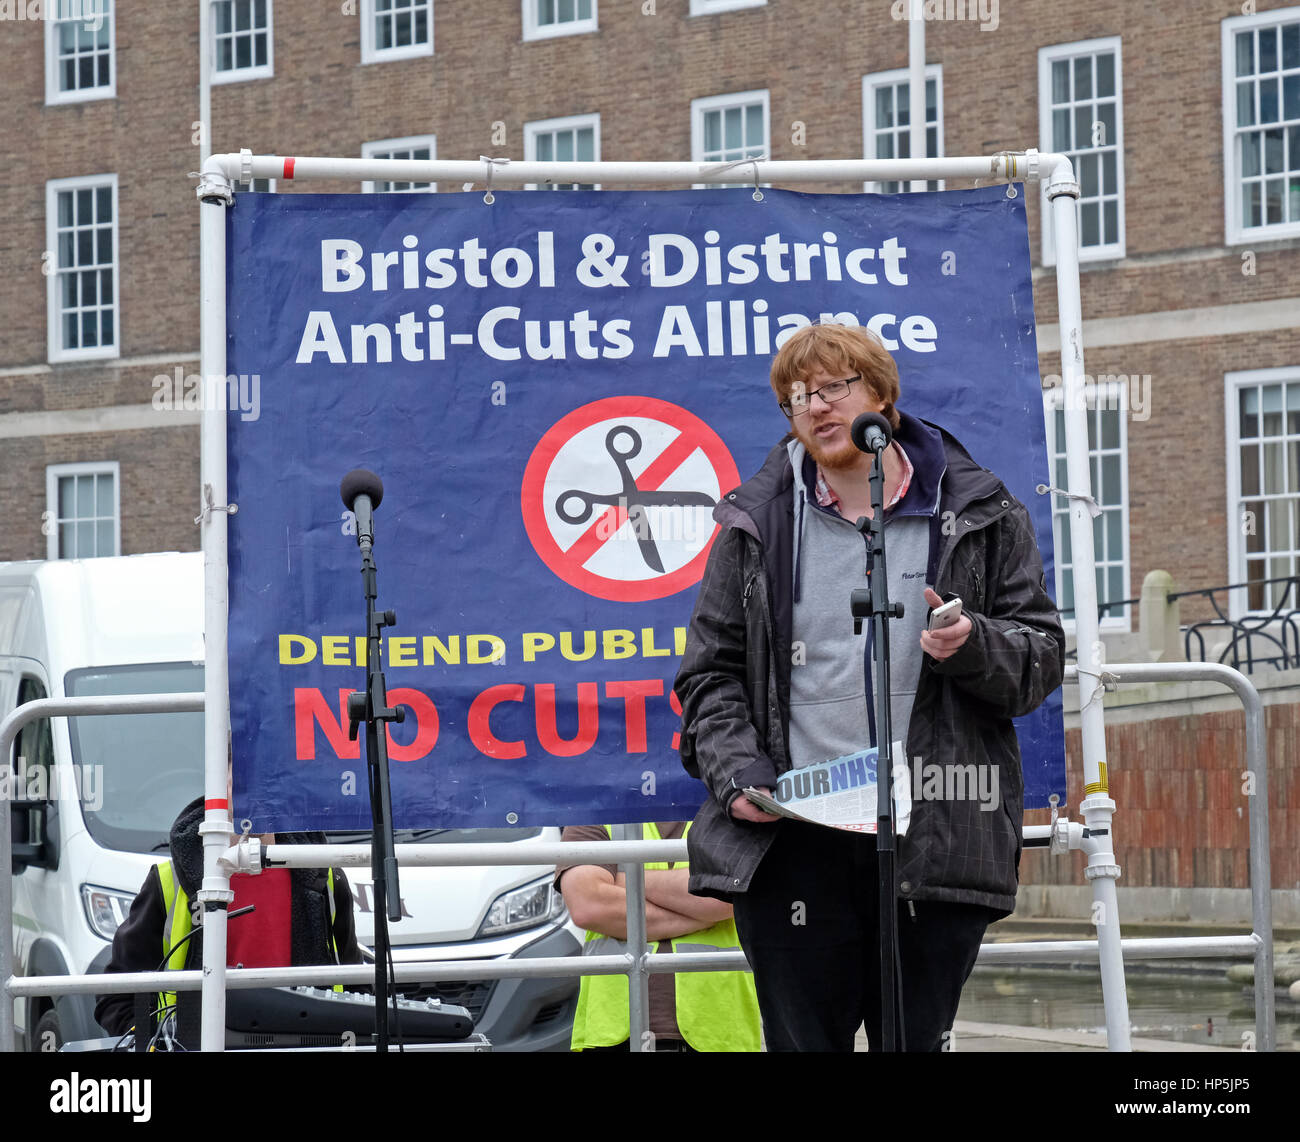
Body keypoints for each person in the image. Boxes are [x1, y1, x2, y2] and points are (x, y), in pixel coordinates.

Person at [674, 322, 1065, 1052]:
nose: (814, 407)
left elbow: (1040, 658)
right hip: (794, 839)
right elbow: (709, 676)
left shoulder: (980, 509)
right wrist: (739, 778)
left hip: (933, 835)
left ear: (881, 396)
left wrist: (972, 644)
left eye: (832, 388)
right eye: (796, 398)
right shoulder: (753, 522)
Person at [95, 791, 362, 1044]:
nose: (257, 785)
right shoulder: (170, 881)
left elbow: (358, 990)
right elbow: (117, 996)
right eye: (245, 769)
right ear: (221, 778)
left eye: (267, 770)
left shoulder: (324, 877)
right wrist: (161, 1042)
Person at [555, 821, 761, 1052]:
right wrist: (704, 909)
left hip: (719, 1029)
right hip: (615, 1031)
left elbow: (730, 893)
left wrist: (625, 880)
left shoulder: (732, 806)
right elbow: (589, 905)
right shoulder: (598, 807)